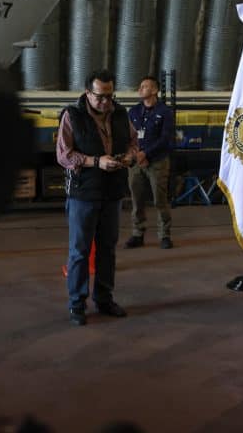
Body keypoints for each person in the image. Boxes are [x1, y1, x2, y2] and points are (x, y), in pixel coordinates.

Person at [56, 69, 138, 326]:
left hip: (112, 193)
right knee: (80, 251)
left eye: (110, 96)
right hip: (83, 194)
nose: (105, 102)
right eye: (100, 97)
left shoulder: (121, 115)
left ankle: (104, 298)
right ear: (88, 93)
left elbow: (134, 142)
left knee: (107, 249)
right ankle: (77, 304)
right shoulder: (72, 116)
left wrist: (129, 157)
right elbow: (63, 155)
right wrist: (95, 161)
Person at [123, 76, 175, 250]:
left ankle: (164, 235)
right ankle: (138, 234)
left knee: (160, 200)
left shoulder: (165, 112)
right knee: (137, 200)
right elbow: (129, 136)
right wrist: (135, 154)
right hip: (136, 162)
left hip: (157, 162)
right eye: (140, 86)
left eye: (145, 86)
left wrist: (146, 153)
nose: (140, 89)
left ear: (154, 90)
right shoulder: (133, 111)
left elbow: (166, 139)